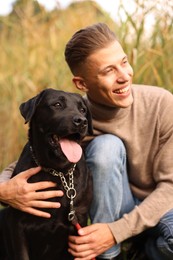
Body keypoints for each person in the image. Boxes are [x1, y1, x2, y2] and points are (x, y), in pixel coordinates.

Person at [1, 23, 173, 260]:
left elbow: (170, 188)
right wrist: (2, 189)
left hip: (161, 206)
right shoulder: (75, 119)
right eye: (109, 70)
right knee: (107, 147)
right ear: (81, 84)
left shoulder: (162, 104)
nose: (124, 76)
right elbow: (32, 153)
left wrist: (114, 232)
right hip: (119, 207)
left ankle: (139, 251)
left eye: (124, 62)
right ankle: (108, 255)